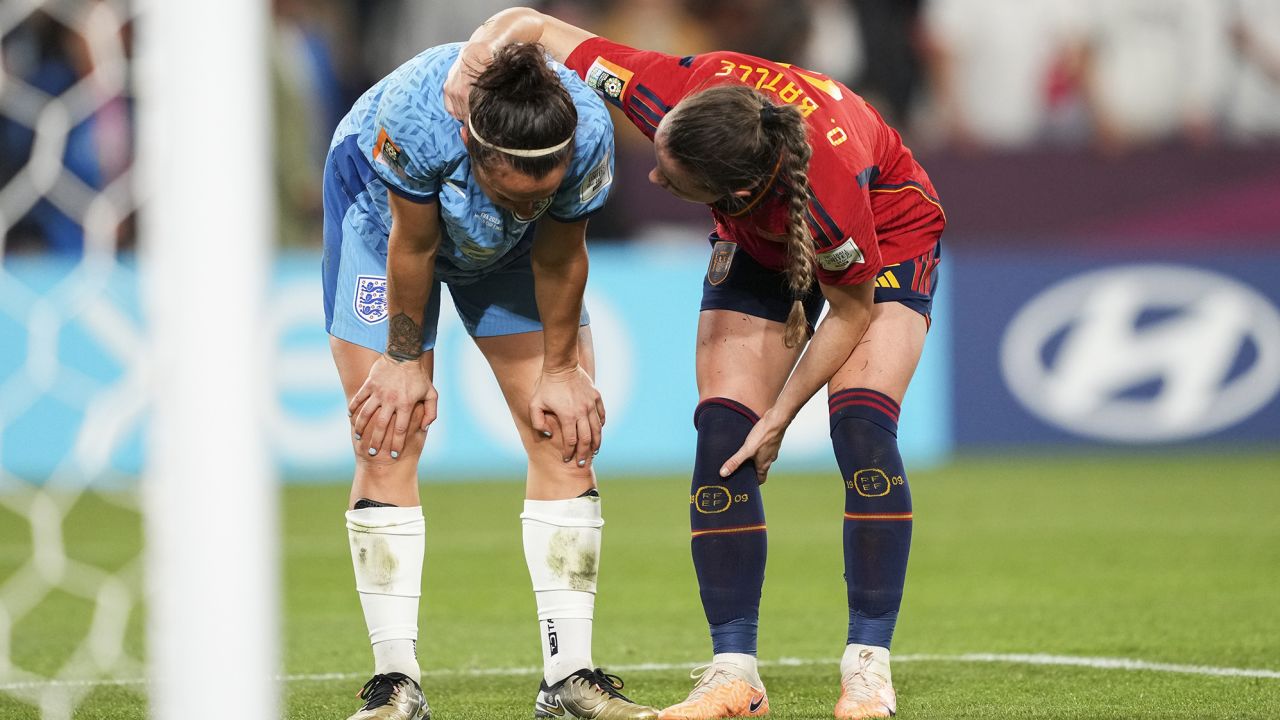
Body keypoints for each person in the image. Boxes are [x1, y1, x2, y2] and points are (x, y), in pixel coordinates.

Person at [447, 9, 945, 720]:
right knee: (722, 439)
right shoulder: (666, 91)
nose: (653, 173)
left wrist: (779, 417)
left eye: (673, 179)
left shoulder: (831, 197)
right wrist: (471, 64)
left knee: (862, 428)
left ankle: (868, 668)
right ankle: (733, 674)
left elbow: (852, 312)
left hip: (886, 234)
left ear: (730, 187)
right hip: (758, 243)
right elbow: (524, 22)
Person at [323, 40, 657, 720]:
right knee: (389, 432)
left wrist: (563, 371)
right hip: (380, 217)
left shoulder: (587, 130)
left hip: (509, 251)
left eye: (544, 193)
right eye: (514, 192)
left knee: (565, 433)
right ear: (477, 156)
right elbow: (413, 246)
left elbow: (561, 252)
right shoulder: (416, 122)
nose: (530, 205)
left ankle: (569, 679)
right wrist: (401, 360)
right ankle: (395, 685)